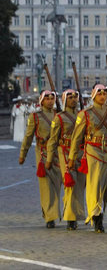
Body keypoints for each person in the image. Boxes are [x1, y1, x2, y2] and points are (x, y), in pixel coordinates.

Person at [69, 84, 107, 233]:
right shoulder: (85, 114)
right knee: (95, 184)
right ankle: (96, 217)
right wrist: (72, 157)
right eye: (100, 93)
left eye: (105, 93)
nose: (103, 96)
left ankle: (100, 210)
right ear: (94, 95)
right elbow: (76, 137)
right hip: (93, 150)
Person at [18, 90, 61, 228]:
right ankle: (50, 216)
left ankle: (50, 211)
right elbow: (28, 137)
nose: (50, 101)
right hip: (42, 153)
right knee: (46, 186)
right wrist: (23, 154)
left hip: (57, 154)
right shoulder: (35, 116)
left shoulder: (58, 115)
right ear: (41, 101)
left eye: (52, 98)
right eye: (47, 98)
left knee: (56, 185)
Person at [47, 89, 85, 230]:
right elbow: (53, 140)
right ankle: (70, 217)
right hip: (65, 152)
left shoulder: (83, 115)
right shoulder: (60, 118)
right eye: (70, 97)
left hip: (81, 153)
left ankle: (75, 212)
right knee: (71, 184)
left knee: (80, 185)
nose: (73, 99)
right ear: (64, 100)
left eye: (75, 96)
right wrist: (50, 159)